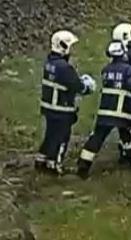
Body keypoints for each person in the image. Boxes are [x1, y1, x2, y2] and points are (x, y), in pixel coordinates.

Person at [76, 41, 131, 179]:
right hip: (122, 113)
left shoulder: (106, 70)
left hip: (105, 113)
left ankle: (83, 165)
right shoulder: (129, 70)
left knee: (96, 138)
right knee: (128, 138)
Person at [38, 30, 96, 175]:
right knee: (62, 137)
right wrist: (88, 85)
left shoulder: (49, 62)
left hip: (49, 107)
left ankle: (41, 160)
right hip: (62, 109)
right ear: (63, 46)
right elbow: (78, 86)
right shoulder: (65, 68)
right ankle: (54, 165)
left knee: (50, 135)